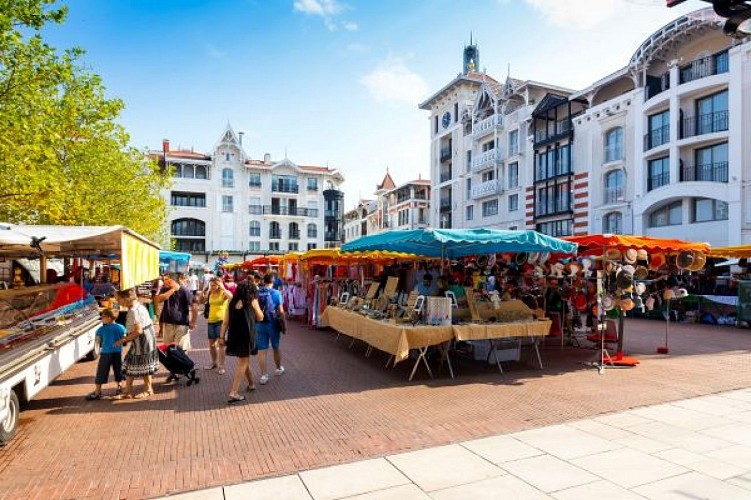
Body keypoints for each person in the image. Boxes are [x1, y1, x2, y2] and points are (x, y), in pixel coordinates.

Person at [218, 281, 263, 403]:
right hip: (247, 336)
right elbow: (260, 317)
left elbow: (225, 322)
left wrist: (221, 337)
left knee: (244, 359)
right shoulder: (252, 301)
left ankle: (251, 384)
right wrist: (256, 307)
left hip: (234, 335)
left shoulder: (231, 302)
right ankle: (234, 392)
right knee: (243, 362)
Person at [113, 289, 158, 399]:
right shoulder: (138, 305)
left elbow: (138, 330)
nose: (118, 301)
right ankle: (128, 390)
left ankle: (148, 390)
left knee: (142, 363)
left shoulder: (134, 310)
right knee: (130, 362)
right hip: (144, 338)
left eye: (119, 299)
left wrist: (123, 340)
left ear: (126, 298)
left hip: (142, 339)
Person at [86, 308, 126, 400]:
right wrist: (117, 342)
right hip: (117, 353)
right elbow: (124, 338)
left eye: (102, 316)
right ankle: (119, 387)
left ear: (108, 317)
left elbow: (97, 342)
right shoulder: (121, 327)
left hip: (105, 354)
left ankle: (97, 391)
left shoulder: (101, 329)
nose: (101, 318)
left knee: (101, 371)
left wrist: (97, 344)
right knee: (118, 370)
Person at [256, 273, 286, 385]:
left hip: (259, 324)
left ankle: (264, 375)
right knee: (276, 347)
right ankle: (278, 368)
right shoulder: (277, 293)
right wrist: (284, 323)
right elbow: (281, 311)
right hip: (273, 324)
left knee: (262, 351)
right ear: (273, 282)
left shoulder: (257, 292)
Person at [155, 273, 197, 350]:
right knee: (169, 349)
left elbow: (194, 305)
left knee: (181, 349)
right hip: (168, 323)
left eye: (167, 280)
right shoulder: (164, 289)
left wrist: (193, 321)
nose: (165, 282)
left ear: (174, 280)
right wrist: (173, 289)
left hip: (182, 324)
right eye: (164, 280)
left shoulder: (184, 290)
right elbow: (159, 299)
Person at [204, 277, 232, 374]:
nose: (211, 287)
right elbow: (201, 300)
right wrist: (206, 291)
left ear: (218, 285)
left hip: (221, 321)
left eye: (213, 285)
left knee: (221, 344)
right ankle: (214, 362)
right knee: (211, 345)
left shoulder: (223, 293)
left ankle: (221, 366)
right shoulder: (210, 293)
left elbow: (231, 297)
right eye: (210, 285)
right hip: (211, 321)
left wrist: (223, 287)